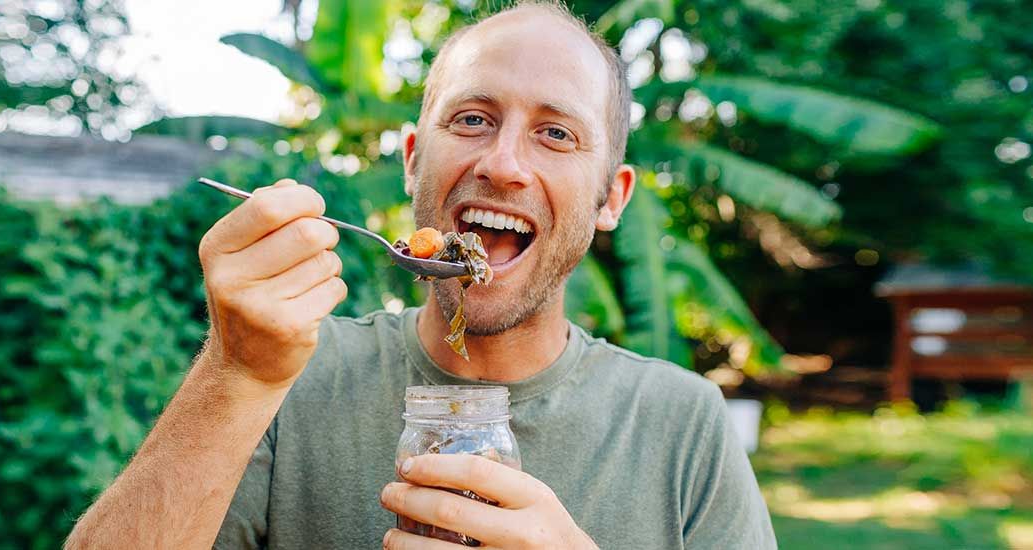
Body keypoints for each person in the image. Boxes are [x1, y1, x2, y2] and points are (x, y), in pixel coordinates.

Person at [66, 1, 777, 548]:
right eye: (471, 118)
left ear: (611, 198)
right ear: (413, 159)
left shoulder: (683, 423)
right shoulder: (288, 373)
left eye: (556, 133)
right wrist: (235, 371)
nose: (502, 163)